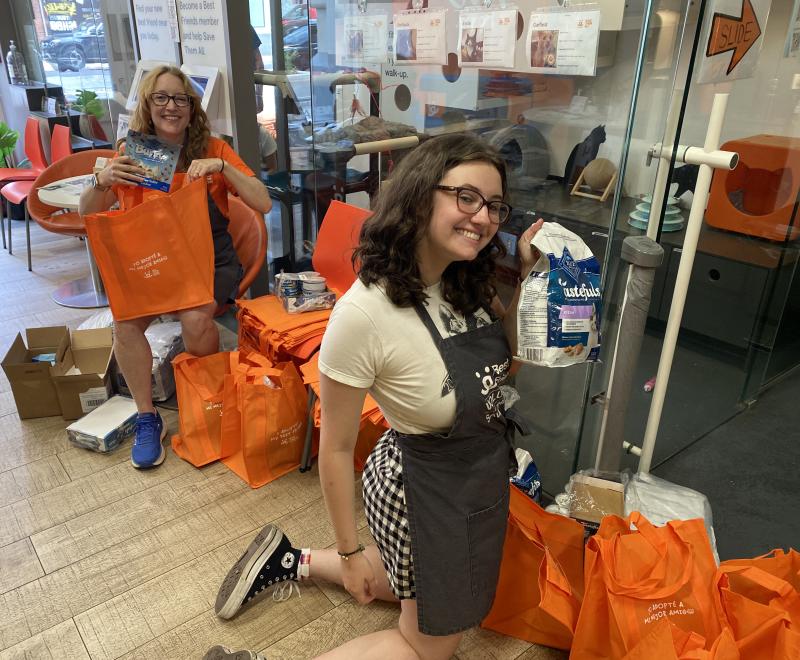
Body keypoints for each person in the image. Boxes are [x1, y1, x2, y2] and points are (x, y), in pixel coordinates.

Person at [205, 133, 543, 660]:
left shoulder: (465, 280)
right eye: (466, 198)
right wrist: (351, 550)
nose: (482, 218)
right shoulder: (365, 314)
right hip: (419, 490)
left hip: (473, 477)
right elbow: (335, 447)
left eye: (494, 205)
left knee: (438, 595)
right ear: (421, 195)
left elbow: (503, 369)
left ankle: (292, 560)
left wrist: (528, 281)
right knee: (429, 644)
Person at [79, 65, 271, 470]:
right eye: (161, 98)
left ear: (191, 106)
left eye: (180, 98)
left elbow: (263, 202)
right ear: (148, 105)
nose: (172, 106)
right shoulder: (131, 154)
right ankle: (148, 417)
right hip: (152, 258)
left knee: (196, 318)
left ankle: (205, 401)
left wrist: (224, 169)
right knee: (125, 324)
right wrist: (102, 181)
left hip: (209, 259)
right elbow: (87, 214)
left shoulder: (213, 148)